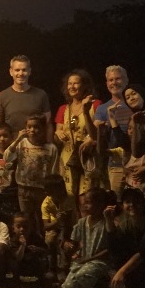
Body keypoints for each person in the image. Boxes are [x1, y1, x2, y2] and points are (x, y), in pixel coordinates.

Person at [54, 69, 101, 211]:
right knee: (69, 197)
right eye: (70, 84)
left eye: (76, 83)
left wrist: (86, 112)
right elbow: (57, 134)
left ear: (84, 86)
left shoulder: (96, 104)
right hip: (68, 159)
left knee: (87, 198)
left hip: (88, 158)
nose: (72, 87)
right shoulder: (63, 109)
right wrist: (58, 132)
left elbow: (97, 134)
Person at [3, 115, 59, 234]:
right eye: (29, 127)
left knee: (41, 218)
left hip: (42, 190)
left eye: (36, 127)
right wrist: (17, 139)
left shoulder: (51, 148)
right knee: (26, 219)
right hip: (24, 188)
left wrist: (50, 190)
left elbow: (53, 171)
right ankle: (28, 244)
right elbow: (7, 157)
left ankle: (42, 243)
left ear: (43, 129)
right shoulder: (22, 143)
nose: (32, 130)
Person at [61, 188, 116, 288]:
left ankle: (106, 281)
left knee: (82, 275)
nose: (84, 206)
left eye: (88, 203)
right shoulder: (82, 222)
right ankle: (95, 285)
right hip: (85, 261)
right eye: (84, 203)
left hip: (100, 262)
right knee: (68, 287)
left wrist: (89, 259)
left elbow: (110, 248)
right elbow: (75, 243)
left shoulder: (106, 223)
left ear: (100, 204)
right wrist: (68, 245)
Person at [0, 55, 51, 142]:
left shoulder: (41, 95)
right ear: (11, 72)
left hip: (37, 148)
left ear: (29, 71)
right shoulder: (3, 96)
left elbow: (48, 124)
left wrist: (49, 145)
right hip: (12, 149)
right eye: (17, 70)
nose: (21, 73)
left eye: (24, 70)